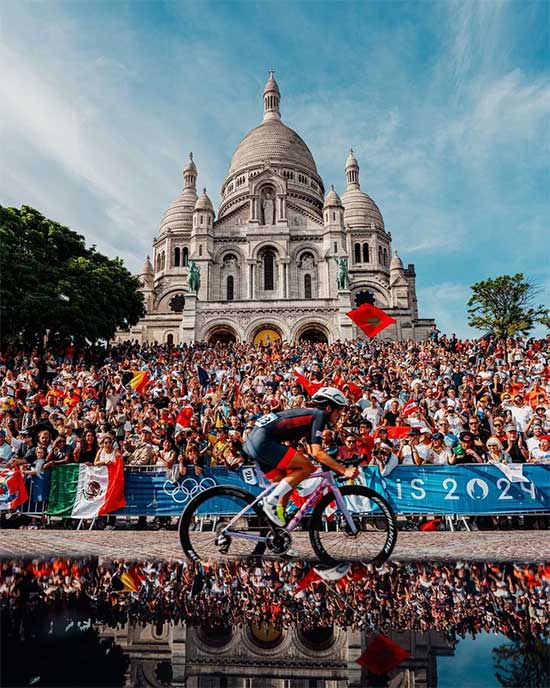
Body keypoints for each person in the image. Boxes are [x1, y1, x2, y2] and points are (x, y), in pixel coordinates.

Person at [243, 387, 358, 526]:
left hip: (254, 443)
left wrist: (334, 463)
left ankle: (279, 532)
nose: (340, 414)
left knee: (287, 483)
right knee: (306, 467)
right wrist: (343, 470)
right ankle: (270, 501)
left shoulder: (310, 417)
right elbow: (317, 452)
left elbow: (312, 450)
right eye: (339, 410)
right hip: (263, 442)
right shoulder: (319, 415)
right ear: (328, 408)